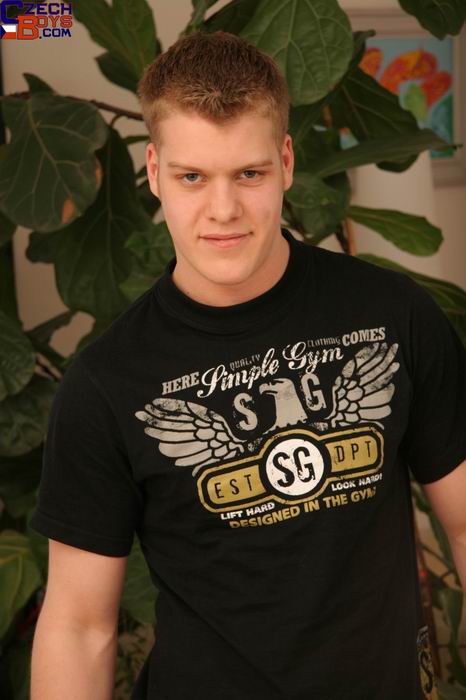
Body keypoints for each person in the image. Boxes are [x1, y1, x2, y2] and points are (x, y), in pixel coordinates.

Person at [29, 29, 466, 700]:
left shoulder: (394, 315)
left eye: (249, 174)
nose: (223, 211)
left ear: (285, 162)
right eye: (192, 177)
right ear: (154, 172)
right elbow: (79, 627)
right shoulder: (106, 384)